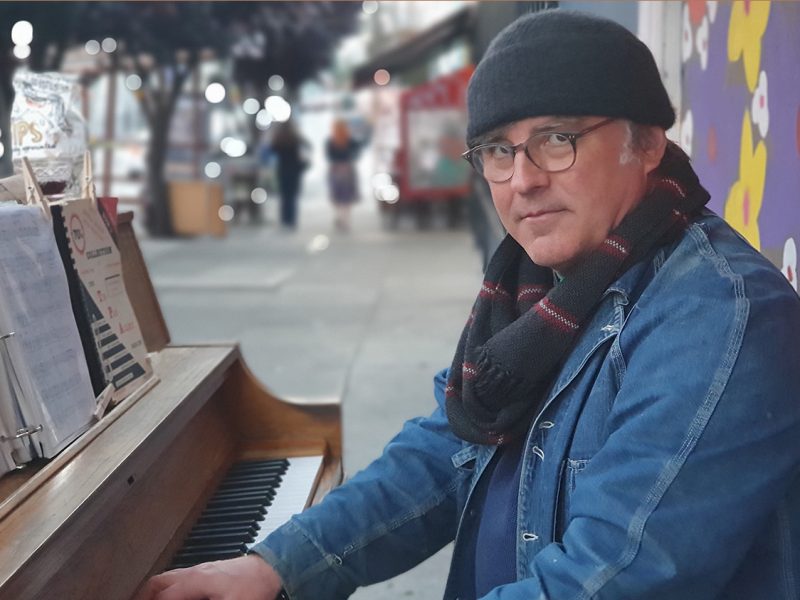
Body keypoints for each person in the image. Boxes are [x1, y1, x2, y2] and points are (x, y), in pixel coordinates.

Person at [136, 10, 800, 600]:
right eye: (497, 151)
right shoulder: (538, 287)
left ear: (648, 143)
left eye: (557, 139)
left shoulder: (721, 317)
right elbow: (448, 449)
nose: (524, 179)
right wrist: (276, 566)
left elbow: (611, 576)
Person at [270, 119, 309, 230]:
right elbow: (308, 146)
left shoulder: (279, 138)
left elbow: (272, 149)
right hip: (295, 170)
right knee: (292, 196)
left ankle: (284, 220)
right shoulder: (295, 138)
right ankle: (292, 220)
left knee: (284, 196)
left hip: (283, 169)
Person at [325, 118, 361, 231]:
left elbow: (329, 156)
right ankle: (345, 219)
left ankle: (339, 216)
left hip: (335, 170)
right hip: (348, 170)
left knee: (337, 195)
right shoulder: (350, 140)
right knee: (347, 197)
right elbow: (357, 151)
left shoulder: (331, 141)